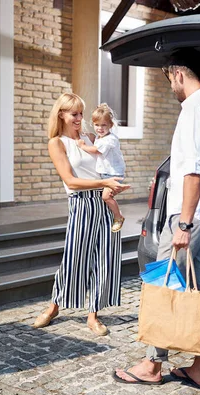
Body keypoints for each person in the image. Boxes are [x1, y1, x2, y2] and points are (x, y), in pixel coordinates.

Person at [113, 48, 200, 389]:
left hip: (191, 217)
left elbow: (194, 171)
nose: (171, 86)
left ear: (179, 74)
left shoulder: (195, 110)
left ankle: (152, 365)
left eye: (170, 79)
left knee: (163, 281)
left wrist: (183, 224)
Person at [33, 93, 130, 336]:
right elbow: (71, 181)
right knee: (74, 258)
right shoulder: (56, 143)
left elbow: (108, 164)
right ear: (61, 115)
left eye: (81, 113)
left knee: (105, 259)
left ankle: (93, 315)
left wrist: (112, 183)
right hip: (81, 204)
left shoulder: (91, 137)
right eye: (74, 114)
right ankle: (55, 306)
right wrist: (103, 182)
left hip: (103, 203)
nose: (79, 118)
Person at [76, 103, 126, 232]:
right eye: (97, 125)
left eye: (104, 125)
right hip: (105, 173)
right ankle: (111, 215)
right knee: (106, 197)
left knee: (106, 197)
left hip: (113, 174)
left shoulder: (110, 140)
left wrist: (82, 146)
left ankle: (118, 217)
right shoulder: (100, 137)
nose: (100, 128)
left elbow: (95, 150)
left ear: (110, 125)